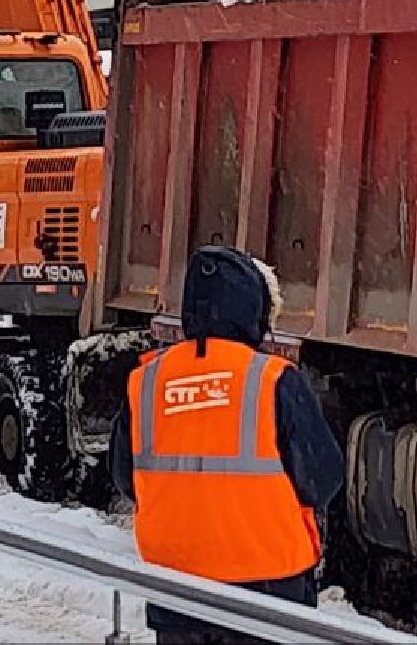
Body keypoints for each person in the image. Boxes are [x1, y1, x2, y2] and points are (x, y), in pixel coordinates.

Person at [110, 246, 344, 644]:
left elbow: (124, 478)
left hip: (177, 589)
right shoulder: (273, 380)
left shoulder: (147, 381)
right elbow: (322, 479)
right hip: (267, 591)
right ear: (255, 310)